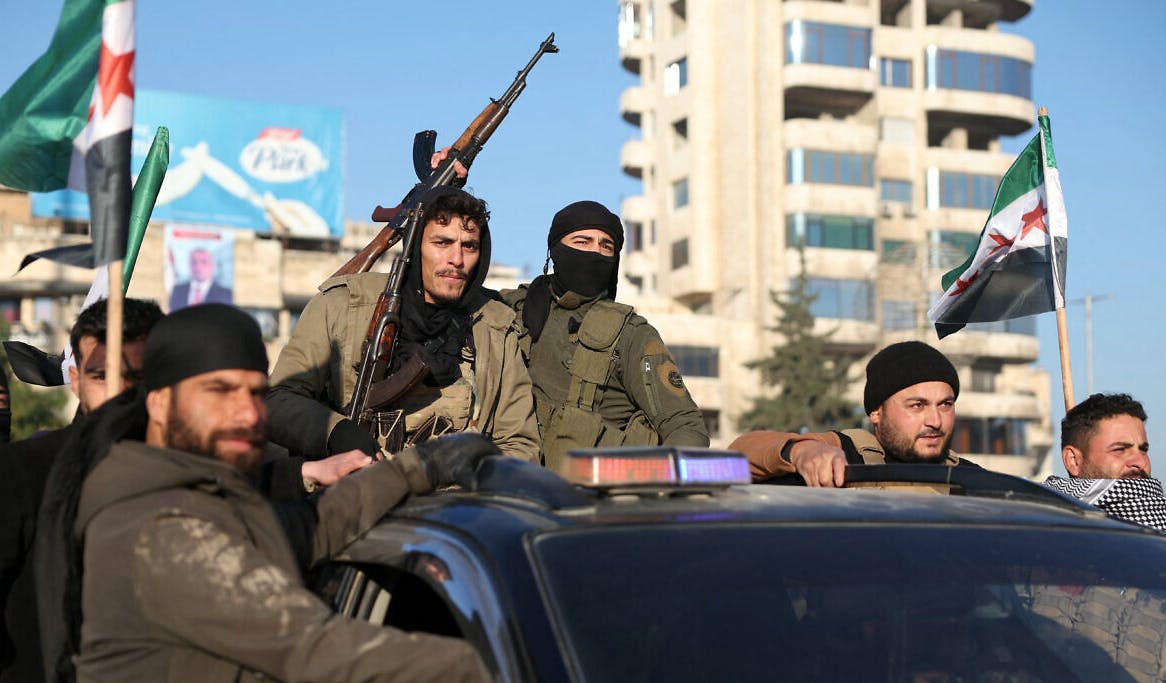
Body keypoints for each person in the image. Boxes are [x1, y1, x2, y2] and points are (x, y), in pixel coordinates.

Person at [34, 304, 503, 683]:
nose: (246, 412)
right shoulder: (159, 527)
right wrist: (514, 670)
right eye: (220, 390)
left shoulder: (213, 497)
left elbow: (310, 529)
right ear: (159, 402)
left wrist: (412, 471)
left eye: (257, 393)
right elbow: (316, 646)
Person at [0, 297, 161, 683]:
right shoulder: (26, 471)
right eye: (102, 374)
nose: (121, 393)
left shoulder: (195, 484)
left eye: (140, 377)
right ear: (73, 377)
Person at [267, 186, 540, 462]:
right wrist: (335, 433)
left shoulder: (492, 325)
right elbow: (277, 400)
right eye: (442, 243)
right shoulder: (341, 306)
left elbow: (519, 442)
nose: (457, 260)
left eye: (469, 246)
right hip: (353, 489)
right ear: (415, 246)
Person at [502, 200, 709, 469]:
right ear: (555, 249)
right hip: (511, 492)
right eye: (582, 241)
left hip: (596, 500)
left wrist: (652, 488)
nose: (595, 253)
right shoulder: (510, 309)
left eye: (606, 246)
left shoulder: (632, 335)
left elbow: (685, 426)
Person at [731, 340, 977, 486]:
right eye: (917, 405)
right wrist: (800, 451)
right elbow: (741, 453)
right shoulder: (844, 455)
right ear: (876, 412)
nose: (935, 421)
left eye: (945, 404)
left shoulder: (974, 481)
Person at [1043, 393, 1166, 532]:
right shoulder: (1047, 530)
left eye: (1143, 450)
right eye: (1120, 450)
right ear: (1074, 461)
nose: (1140, 461)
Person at [168, 246, 233, 311]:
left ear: (212, 266)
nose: (198, 267)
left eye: (204, 262)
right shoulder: (177, 291)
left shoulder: (226, 294)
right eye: (194, 262)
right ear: (189, 265)